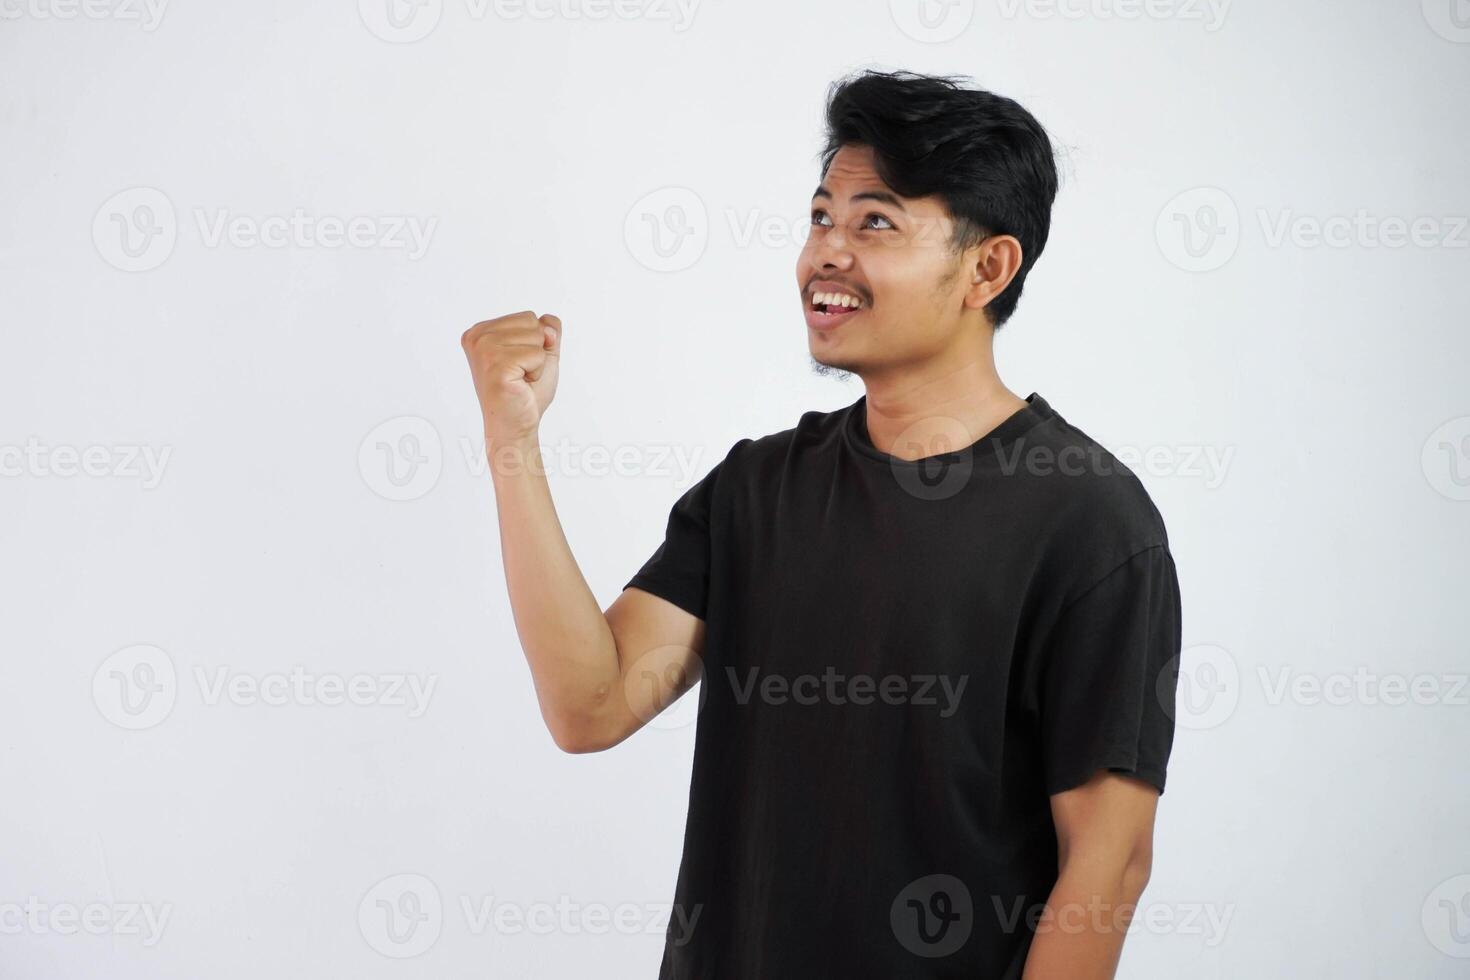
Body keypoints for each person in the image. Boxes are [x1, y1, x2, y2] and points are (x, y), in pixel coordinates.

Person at [460, 68, 1183, 980]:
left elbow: (1107, 864)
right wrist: (512, 443)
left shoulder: (1089, 521)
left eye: (875, 221)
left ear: (987, 267)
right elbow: (588, 706)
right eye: (819, 218)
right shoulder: (757, 488)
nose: (826, 255)